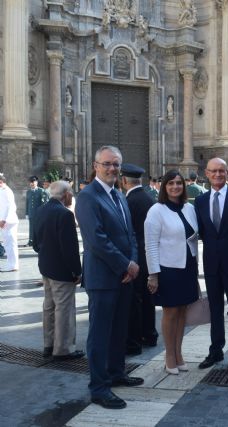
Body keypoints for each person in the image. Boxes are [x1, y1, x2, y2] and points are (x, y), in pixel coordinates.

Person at [75, 146, 142, 410]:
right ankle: (99, 388)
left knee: (118, 331)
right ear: (95, 166)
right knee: (100, 335)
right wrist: (125, 264)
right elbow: (96, 240)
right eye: (107, 164)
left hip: (124, 275)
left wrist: (133, 262)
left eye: (116, 165)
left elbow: (130, 234)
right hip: (103, 278)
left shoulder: (119, 194)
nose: (112, 168)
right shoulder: (88, 196)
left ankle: (116, 373)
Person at [145, 170, 199, 375]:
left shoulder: (189, 208)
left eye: (178, 183)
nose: (175, 187)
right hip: (168, 268)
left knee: (183, 312)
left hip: (188, 266)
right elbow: (150, 245)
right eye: (170, 183)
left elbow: (193, 237)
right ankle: (169, 355)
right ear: (164, 186)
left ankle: (179, 353)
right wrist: (153, 274)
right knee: (170, 312)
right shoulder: (156, 211)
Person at [195, 158, 228, 372]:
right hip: (212, 265)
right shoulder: (199, 201)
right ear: (206, 173)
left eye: (221, 171)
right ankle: (215, 350)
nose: (217, 174)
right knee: (214, 309)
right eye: (213, 171)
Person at [33, 180, 84, 360]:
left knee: (49, 306)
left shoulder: (41, 210)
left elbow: (35, 242)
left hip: (46, 267)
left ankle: (49, 345)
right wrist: (77, 271)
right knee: (64, 308)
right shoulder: (64, 214)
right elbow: (69, 249)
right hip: (61, 270)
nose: (72, 195)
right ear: (66, 194)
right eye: (71, 192)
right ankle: (63, 349)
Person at [120, 164, 158, 354]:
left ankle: (134, 340)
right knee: (148, 297)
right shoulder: (149, 198)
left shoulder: (128, 201)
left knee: (134, 301)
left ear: (124, 181)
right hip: (149, 256)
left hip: (135, 257)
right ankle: (150, 334)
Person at [0, 173, 19, 272]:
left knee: (11, 244)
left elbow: (10, 207)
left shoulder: (7, 191)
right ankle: (10, 264)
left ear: (1, 181)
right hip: (5, 221)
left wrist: (4, 220)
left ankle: (13, 265)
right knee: (7, 244)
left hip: (9, 221)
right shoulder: (2, 190)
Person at [25, 176, 49, 247]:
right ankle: (31, 241)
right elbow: (27, 203)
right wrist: (26, 213)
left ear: (36, 182)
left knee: (39, 228)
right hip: (31, 213)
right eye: (30, 182)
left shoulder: (41, 191)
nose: (32, 183)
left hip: (39, 213)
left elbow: (44, 203)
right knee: (31, 228)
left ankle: (39, 241)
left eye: (33, 182)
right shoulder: (28, 192)